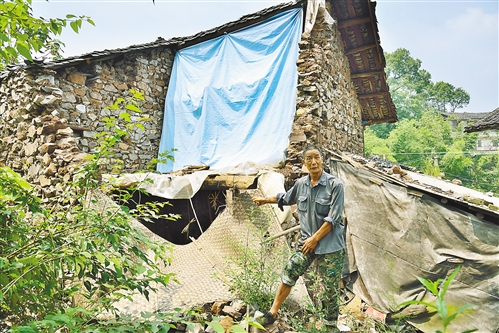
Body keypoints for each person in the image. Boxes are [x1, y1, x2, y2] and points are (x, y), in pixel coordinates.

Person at [252, 144, 346, 333]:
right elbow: (286, 198)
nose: (313, 162)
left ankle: (330, 327)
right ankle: (272, 312)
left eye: (316, 157)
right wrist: (265, 200)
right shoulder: (301, 184)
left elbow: (333, 219)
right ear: (303, 162)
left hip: (330, 245)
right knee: (291, 270)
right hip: (307, 243)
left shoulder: (335, 185)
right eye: (309, 158)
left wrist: (314, 239)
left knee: (330, 289)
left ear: (322, 159)